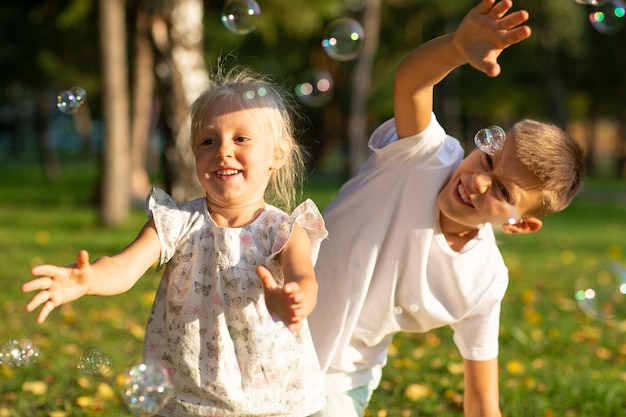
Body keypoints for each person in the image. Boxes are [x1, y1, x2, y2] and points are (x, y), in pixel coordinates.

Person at [308, 1, 585, 417]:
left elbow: (481, 401)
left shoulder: (484, 280)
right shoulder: (423, 156)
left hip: (339, 381)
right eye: (489, 159)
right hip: (265, 326)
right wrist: (457, 48)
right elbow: (411, 83)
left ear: (520, 225)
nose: (477, 181)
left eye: (503, 192)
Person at [22, 67, 328, 417]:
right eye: (208, 141)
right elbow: (125, 266)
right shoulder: (175, 223)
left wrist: (296, 300)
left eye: (241, 139)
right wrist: (89, 279)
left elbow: (305, 279)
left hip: (272, 399)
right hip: (189, 397)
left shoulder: (285, 231)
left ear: (277, 154)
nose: (223, 151)